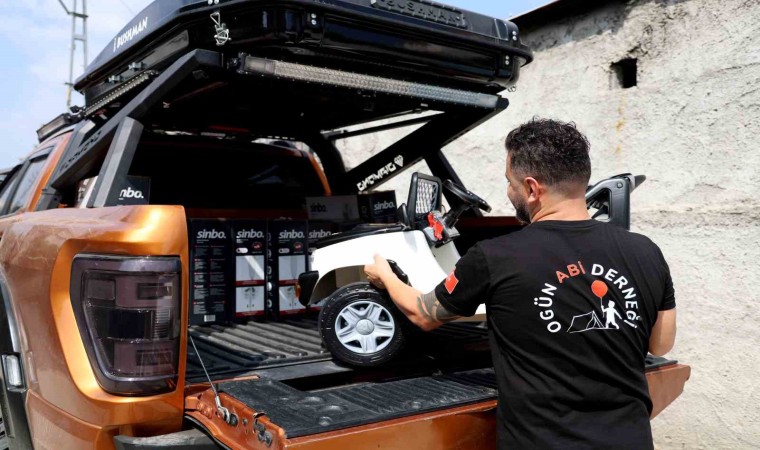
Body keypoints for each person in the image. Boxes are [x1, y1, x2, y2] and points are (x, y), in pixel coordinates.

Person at [364, 118, 677, 450]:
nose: (509, 191)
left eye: (509, 183)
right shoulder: (647, 251)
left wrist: (386, 275)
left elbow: (423, 313)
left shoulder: (494, 256)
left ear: (531, 189)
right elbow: (660, 345)